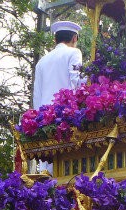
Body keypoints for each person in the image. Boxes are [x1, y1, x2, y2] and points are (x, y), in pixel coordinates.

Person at [32, 21, 83, 174]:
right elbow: (77, 82)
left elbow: (37, 95)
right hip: (66, 117)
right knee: (69, 167)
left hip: (45, 120)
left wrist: (38, 122)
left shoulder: (42, 62)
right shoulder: (74, 53)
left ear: (55, 39)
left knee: (48, 168)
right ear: (74, 38)